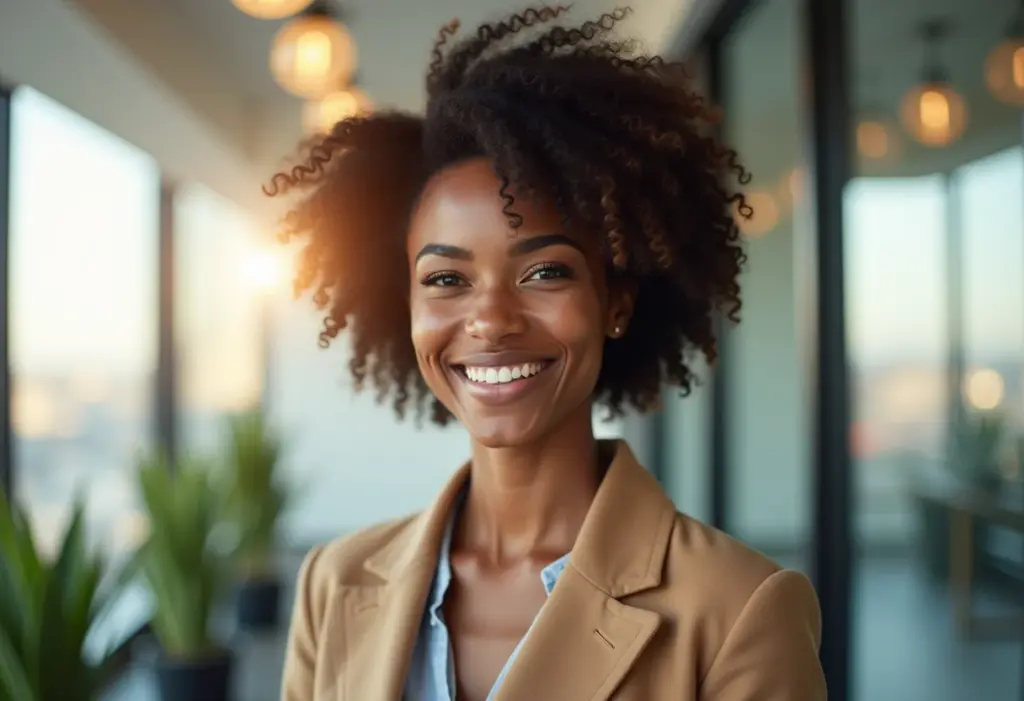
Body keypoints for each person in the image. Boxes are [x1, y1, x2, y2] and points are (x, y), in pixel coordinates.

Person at [270, 6, 826, 701]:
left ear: (616, 300)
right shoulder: (333, 582)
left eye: (545, 272)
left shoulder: (740, 610)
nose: (492, 320)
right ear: (404, 307)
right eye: (446, 279)